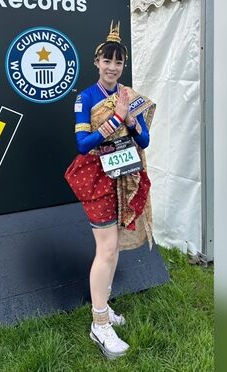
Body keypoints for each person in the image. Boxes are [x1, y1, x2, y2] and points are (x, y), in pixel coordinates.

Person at [64, 22, 156, 360]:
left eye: (118, 62)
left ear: (123, 65)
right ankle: (99, 324)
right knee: (106, 249)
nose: (112, 67)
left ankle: (103, 305)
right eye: (107, 60)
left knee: (113, 248)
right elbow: (82, 144)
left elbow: (144, 139)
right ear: (97, 62)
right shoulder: (85, 97)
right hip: (97, 177)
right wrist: (116, 119)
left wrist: (130, 119)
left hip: (123, 174)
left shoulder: (128, 95)